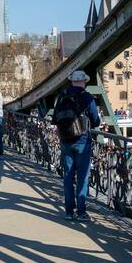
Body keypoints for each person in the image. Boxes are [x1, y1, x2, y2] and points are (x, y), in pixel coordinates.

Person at [53, 71, 101, 221]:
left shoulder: (62, 96)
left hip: (65, 139)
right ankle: (81, 212)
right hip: (82, 139)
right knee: (82, 177)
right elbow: (95, 120)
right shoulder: (86, 97)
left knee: (68, 176)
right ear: (84, 82)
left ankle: (68, 212)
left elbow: (55, 118)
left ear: (72, 82)